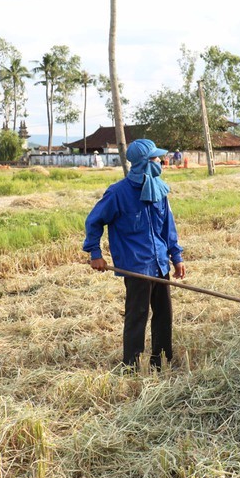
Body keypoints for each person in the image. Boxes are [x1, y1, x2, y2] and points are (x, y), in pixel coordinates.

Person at [83, 139, 185, 369]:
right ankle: (132, 366)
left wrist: (176, 257)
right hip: (135, 266)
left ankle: (162, 361)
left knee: (163, 315)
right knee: (137, 317)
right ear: (143, 163)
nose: (160, 162)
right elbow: (94, 221)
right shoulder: (118, 193)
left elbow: (168, 226)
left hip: (160, 264)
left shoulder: (159, 189)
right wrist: (95, 253)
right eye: (155, 158)